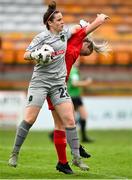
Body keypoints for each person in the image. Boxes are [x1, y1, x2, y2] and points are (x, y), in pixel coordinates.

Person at [8, 0, 109, 174]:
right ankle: (15, 153)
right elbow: (25, 54)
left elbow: (78, 30)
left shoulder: (65, 34)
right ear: (50, 22)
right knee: (32, 119)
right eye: (60, 19)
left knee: (68, 121)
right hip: (40, 82)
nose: (63, 22)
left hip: (58, 84)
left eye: (63, 19)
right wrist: (36, 55)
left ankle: (74, 158)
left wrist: (84, 24)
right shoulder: (42, 37)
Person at [47, 29, 111, 173]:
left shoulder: (70, 52)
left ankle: (71, 153)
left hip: (59, 90)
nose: (83, 56)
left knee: (67, 122)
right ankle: (75, 150)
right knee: (69, 122)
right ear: (84, 44)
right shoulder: (70, 54)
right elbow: (74, 83)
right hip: (64, 92)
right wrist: (97, 22)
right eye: (86, 53)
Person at [67, 60, 93, 143]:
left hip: (76, 96)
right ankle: (54, 134)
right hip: (73, 96)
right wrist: (86, 83)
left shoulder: (73, 70)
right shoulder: (73, 70)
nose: (78, 61)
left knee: (83, 115)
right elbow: (74, 84)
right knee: (72, 118)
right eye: (76, 60)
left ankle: (84, 137)